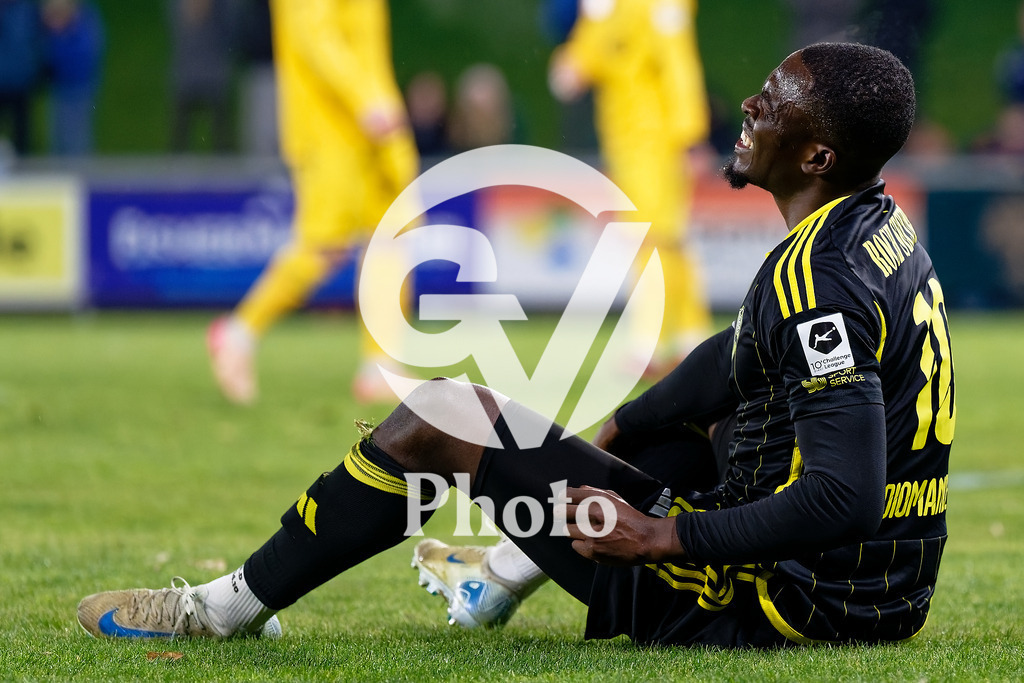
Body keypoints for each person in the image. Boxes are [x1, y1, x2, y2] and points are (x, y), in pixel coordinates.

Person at [78, 43, 955, 648]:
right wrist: (614, 431)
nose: (753, 103)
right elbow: (733, 360)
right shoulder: (877, 230)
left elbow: (843, 490)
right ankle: (492, 574)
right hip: (879, 592)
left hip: (782, 605)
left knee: (441, 415)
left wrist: (662, 536)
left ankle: (219, 610)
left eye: (778, 99)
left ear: (817, 154)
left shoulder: (818, 280)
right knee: (666, 427)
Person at [206, 0, 419, 405]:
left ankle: (380, 367)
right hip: (331, 129)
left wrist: (379, 100)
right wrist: (367, 97)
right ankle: (237, 334)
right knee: (324, 246)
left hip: (373, 123)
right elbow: (314, 37)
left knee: (392, 236)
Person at [548, 0, 713, 375]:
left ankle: (650, 343)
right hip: (625, 145)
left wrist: (690, 136)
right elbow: (584, 59)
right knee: (668, 238)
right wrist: (573, 63)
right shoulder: (606, 10)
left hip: (657, 143)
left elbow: (678, 66)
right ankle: (691, 338)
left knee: (654, 238)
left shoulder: (659, 7)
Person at [167, 0, 235, 153]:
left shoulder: (222, 6)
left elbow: (230, 27)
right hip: (192, 72)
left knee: (221, 139)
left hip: (211, 73)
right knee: (180, 138)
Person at [41, 0, 105, 156]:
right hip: (62, 86)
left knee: (76, 137)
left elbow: (83, 58)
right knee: (59, 136)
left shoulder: (82, 24)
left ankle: (79, 170)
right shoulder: (83, 22)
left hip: (79, 87)